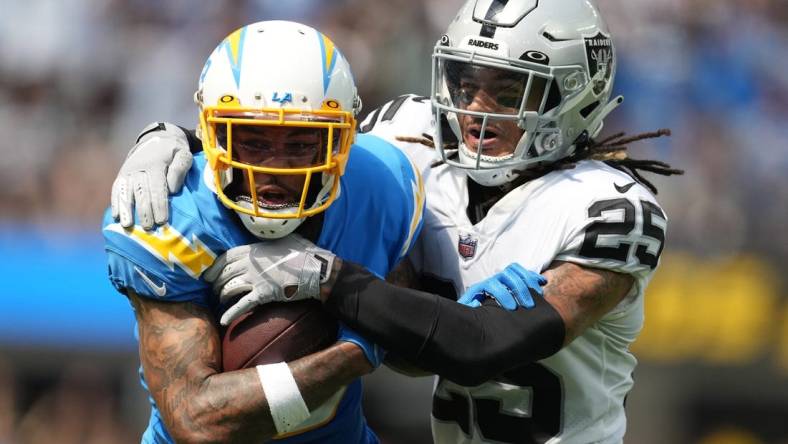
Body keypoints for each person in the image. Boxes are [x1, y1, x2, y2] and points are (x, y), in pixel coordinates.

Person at [111, 1, 684, 442]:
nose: (475, 111)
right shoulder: (409, 143)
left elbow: (483, 343)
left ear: (574, 94)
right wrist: (174, 137)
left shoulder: (610, 210)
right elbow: (299, 136)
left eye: (509, 90)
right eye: (465, 83)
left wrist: (333, 281)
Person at [103, 20, 434, 443]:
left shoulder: (378, 186)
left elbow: (420, 349)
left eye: (299, 145)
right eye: (255, 142)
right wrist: (354, 351)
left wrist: (347, 289)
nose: (273, 168)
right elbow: (198, 422)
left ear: (341, 144)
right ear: (211, 134)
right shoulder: (172, 214)